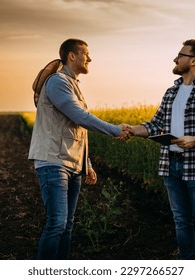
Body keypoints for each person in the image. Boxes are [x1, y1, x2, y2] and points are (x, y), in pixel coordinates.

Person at [128, 39, 195, 259]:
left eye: (181, 55)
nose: (175, 59)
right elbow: (156, 124)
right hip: (171, 166)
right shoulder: (171, 91)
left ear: (194, 60)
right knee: (181, 222)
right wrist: (132, 130)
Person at [28, 38, 129, 260]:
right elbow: (80, 117)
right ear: (72, 56)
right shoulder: (57, 82)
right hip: (53, 161)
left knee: (67, 225)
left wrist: (87, 164)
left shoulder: (72, 84)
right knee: (57, 223)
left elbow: (75, 129)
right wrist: (116, 130)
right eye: (86, 53)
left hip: (71, 163)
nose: (90, 58)